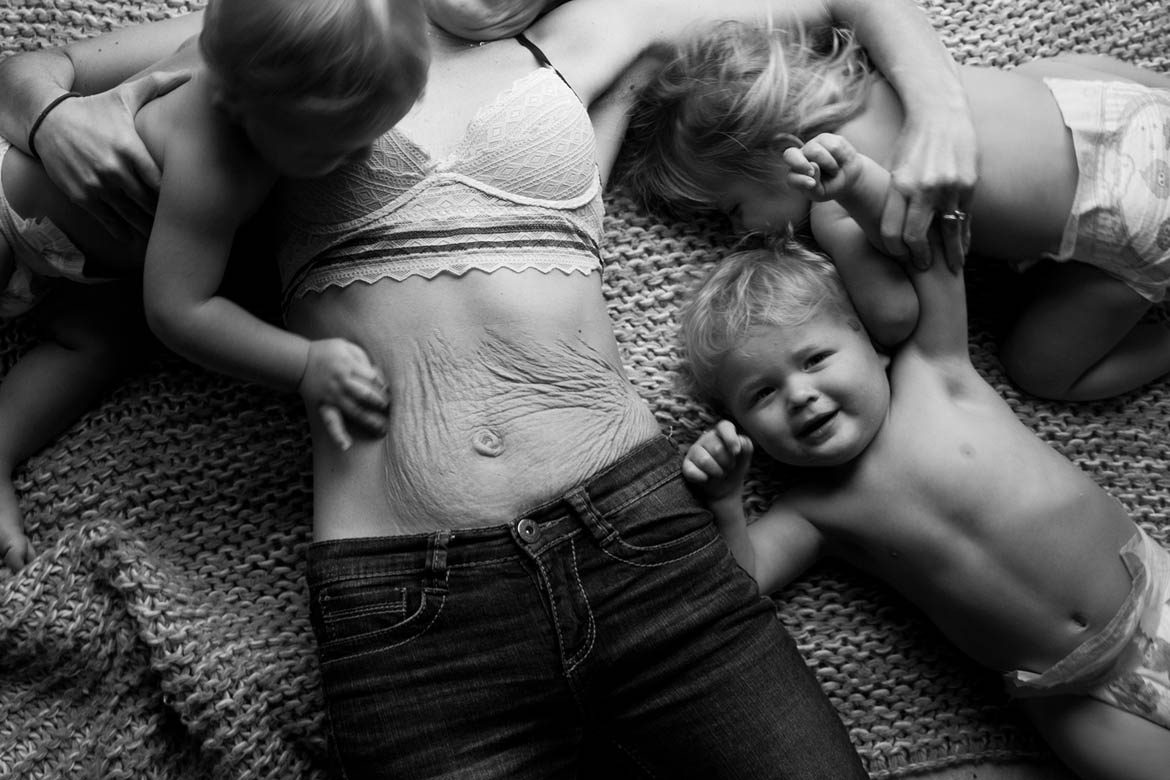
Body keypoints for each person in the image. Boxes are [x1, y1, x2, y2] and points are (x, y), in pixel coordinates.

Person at [0, 1, 979, 776]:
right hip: (413, 618)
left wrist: (940, 107)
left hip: (646, 551)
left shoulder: (606, 26)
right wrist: (52, 119)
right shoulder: (310, 24)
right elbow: (31, 71)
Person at [678, 134, 1170, 780]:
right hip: (1074, 694)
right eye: (762, 394)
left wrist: (855, 185)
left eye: (815, 359)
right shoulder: (814, 512)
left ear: (869, 339)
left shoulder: (933, 367)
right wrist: (724, 502)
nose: (799, 395)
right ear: (743, 426)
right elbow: (745, 579)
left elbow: (933, 247)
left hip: (1153, 590)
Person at [0, 0, 428, 572]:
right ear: (244, 110)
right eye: (337, 144)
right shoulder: (219, 164)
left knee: (107, 341)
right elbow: (178, 311)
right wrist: (305, 364)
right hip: (12, 210)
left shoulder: (245, 71)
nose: (365, 152)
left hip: (87, 269)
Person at [624, 19, 1170, 400]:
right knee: (1040, 72)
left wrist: (848, 264)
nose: (738, 231)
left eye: (733, 208)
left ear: (784, 151)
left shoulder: (835, 199)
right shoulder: (889, 81)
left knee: (1040, 371)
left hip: (1139, 216)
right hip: (1118, 109)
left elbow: (896, 316)